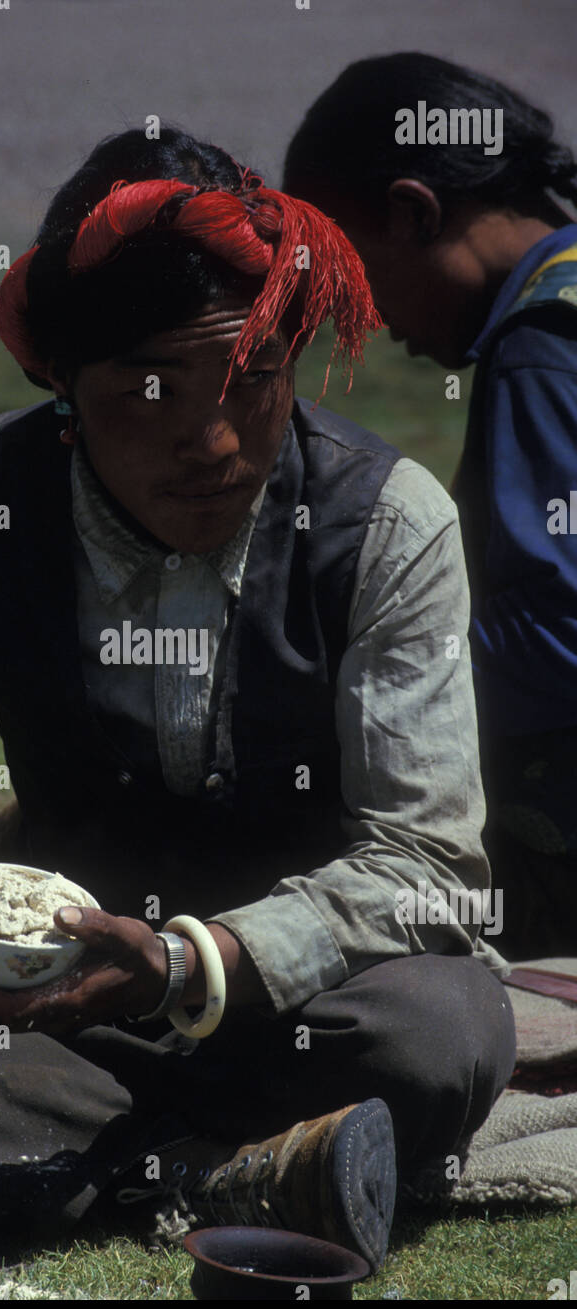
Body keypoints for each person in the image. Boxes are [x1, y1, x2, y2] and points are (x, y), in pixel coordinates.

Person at [0, 128, 515, 1272]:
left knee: (442, 1029)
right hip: (31, 1006)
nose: (212, 442)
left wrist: (188, 964)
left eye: (252, 379)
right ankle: (226, 1171)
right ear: (62, 382)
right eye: (149, 391)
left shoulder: (388, 526)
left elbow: (429, 868)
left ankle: (41, 1167)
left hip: (291, 1010)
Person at [283, 53, 577, 959]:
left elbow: (558, 623)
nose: (358, 323)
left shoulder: (543, 345)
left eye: (351, 275)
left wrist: (365, 665)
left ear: (412, 211)